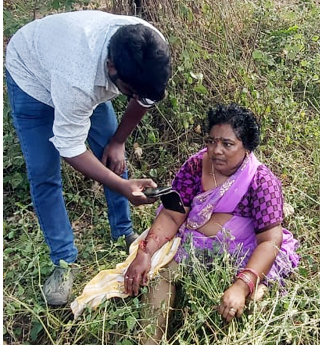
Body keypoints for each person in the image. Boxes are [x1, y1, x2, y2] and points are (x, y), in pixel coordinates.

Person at [70, 103, 300, 345]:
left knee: (253, 302)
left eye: (227, 144)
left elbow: (270, 240)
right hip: (196, 247)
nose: (216, 150)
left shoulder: (261, 182)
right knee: (160, 277)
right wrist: (146, 251)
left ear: (247, 147)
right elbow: (172, 215)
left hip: (245, 254)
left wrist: (242, 286)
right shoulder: (194, 167)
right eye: (211, 141)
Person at [4, 10, 172, 306]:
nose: (136, 97)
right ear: (111, 69)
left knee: (112, 155)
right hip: (31, 76)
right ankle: (63, 261)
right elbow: (69, 146)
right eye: (129, 92)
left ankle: (122, 232)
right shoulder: (79, 81)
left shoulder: (150, 50)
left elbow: (145, 96)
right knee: (44, 174)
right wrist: (122, 186)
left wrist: (118, 141)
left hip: (71, 68)